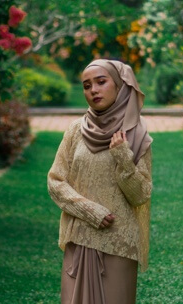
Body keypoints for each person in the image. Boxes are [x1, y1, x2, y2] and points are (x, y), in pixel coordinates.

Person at [47, 59, 153, 304]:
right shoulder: (76, 130)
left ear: (119, 85)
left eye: (101, 82)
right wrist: (89, 210)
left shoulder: (137, 135)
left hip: (118, 244)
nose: (93, 90)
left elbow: (141, 195)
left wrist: (123, 158)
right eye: (86, 85)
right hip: (79, 239)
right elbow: (55, 181)